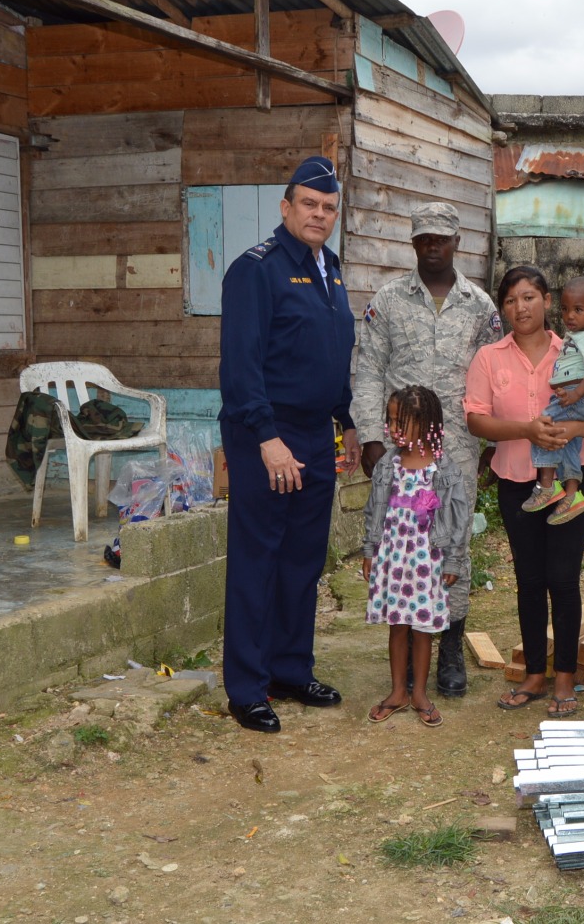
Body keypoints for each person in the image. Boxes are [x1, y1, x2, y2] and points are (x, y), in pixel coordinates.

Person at [218, 155, 360, 734]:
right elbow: (241, 366)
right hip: (265, 434)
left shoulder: (333, 271)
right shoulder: (257, 270)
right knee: (259, 560)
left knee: (303, 559)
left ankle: (290, 670)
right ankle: (247, 688)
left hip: (316, 433)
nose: (319, 214)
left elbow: (332, 356)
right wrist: (268, 438)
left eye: (328, 207)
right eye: (309, 204)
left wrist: (347, 419)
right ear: (286, 207)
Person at [352, 202, 501, 698]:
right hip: (401, 453)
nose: (432, 246)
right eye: (424, 239)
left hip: (456, 447)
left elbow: (495, 375)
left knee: (451, 543)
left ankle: (451, 647)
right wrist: (373, 435)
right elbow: (369, 368)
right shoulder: (389, 301)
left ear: (458, 242)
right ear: (413, 244)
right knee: (400, 545)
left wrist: (491, 444)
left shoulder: (480, 307)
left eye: (441, 238)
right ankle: (406, 652)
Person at [465, 266, 584, 718]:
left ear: (547, 301)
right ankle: (534, 672)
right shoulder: (489, 358)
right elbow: (476, 419)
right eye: (511, 300)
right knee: (530, 581)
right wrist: (527, 431)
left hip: (574, 481)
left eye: (529, 297)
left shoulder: (574, 346)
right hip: (517, 483)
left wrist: (572, 428)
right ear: (503, 308)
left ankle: (565, 677)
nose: (520, 307)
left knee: (563, 578)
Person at [360, 386, 470, 729]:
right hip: (393, 558)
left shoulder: (443, 470)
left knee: (422, 630)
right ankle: (397, 692)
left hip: (426, 562)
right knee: (397, 626)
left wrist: (453, 561)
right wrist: (369, 550)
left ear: (426, 425)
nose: (393, 429)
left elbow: (458, 520)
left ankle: (420, 694)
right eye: (391, 420)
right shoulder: (387, 465)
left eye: (401, 422)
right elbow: (373, 511)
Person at [523, 276, 584, 526]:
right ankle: (572, 495)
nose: (570, 315)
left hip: (581, 396)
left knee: (545, 425)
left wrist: (575, 395)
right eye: (565, 309)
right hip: (571, 394)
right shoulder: (574, 336)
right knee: (566, 442)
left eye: (578, 310)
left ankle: (547, 485)